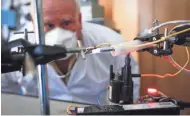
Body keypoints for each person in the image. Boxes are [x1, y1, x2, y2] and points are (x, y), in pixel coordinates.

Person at [1, 0, 140, 105]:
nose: (58, 33)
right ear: (34, 24)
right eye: (49, 25)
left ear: (79, 20)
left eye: (66, 23)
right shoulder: (16, 50)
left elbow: (128, 98)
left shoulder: (111, 43)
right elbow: (5, 94)